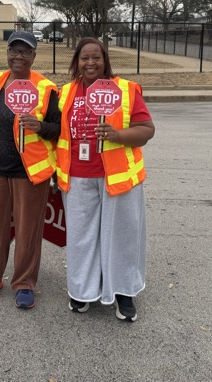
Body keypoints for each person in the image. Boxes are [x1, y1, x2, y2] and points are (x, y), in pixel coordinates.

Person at [56, 37, 155, 321]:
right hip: (76, 177)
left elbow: (147, 130)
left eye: (96, 57)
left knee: (122, 237)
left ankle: (124, 292)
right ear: (76, 62)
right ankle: (82, 291)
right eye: (84, 58)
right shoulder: (64, 93)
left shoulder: (125, 89)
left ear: (105, 60)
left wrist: (118, 136)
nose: (90, 63)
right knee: (80, 237)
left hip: (119, 178)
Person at [0, 31, 61, 310]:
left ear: (34, 56)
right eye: (14, 50)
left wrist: (40, 126)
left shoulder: (47, 89)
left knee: (27, 229)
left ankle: (24, 283)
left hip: (30, 172)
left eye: (25, 52)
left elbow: (60, 131)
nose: (19, 56)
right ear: (7, 53)